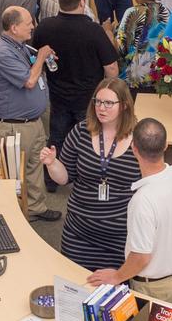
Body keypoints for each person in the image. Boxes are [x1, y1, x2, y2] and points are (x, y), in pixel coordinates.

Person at [87, 117, 172, 305]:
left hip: (154, 288)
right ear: (166, 145)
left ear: (134, 149)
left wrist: (116, 277)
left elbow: (141, 257)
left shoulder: (142, 200)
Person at [39, 79, 141, 270]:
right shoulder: (80, 132)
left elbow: (150, 184)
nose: (101, 108)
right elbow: (64, 178)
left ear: (125, 105)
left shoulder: (138, 138)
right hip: (79, 233)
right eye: (98, 101)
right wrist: (52, 164)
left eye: (109, 103)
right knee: (75, 287)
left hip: (120, 237)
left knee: (114, 295)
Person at [32, 0, 119, 157]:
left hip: (57, 97)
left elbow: (36, 61)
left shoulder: (44, 27)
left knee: (56, 139)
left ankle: (51, 179)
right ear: (82, 1)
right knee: (90, 142)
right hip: (88, 100)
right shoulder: (94, 30)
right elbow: (111, 69)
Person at [0, 6, 59, 223]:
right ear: (14, 27)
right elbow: (29, 81)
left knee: (34, 167)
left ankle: (35, 208)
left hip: (32, 122)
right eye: (28, 22)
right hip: (15, 126)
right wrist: (40, 58)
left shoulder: (19, 45)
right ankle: (14, 217)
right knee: (14, 174)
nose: (33, 26)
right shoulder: (2, 52)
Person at [114, 0, 170, 87]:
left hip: (132, 81)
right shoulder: (166, 12)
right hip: (158, 79)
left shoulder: (132, 12)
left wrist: (109, 31)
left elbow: (121, 49)